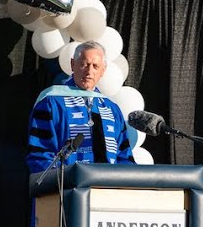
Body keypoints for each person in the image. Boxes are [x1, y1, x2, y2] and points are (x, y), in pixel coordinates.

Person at [25, 41, 135, 174]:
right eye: (84, 64)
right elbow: (40, 154)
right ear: (72, 64)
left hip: (107, 191)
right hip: (67, 189)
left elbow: (124, 157)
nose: (89, 71)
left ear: (103, 70)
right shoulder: (51, 103)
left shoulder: (112, 109)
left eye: (95, 66)